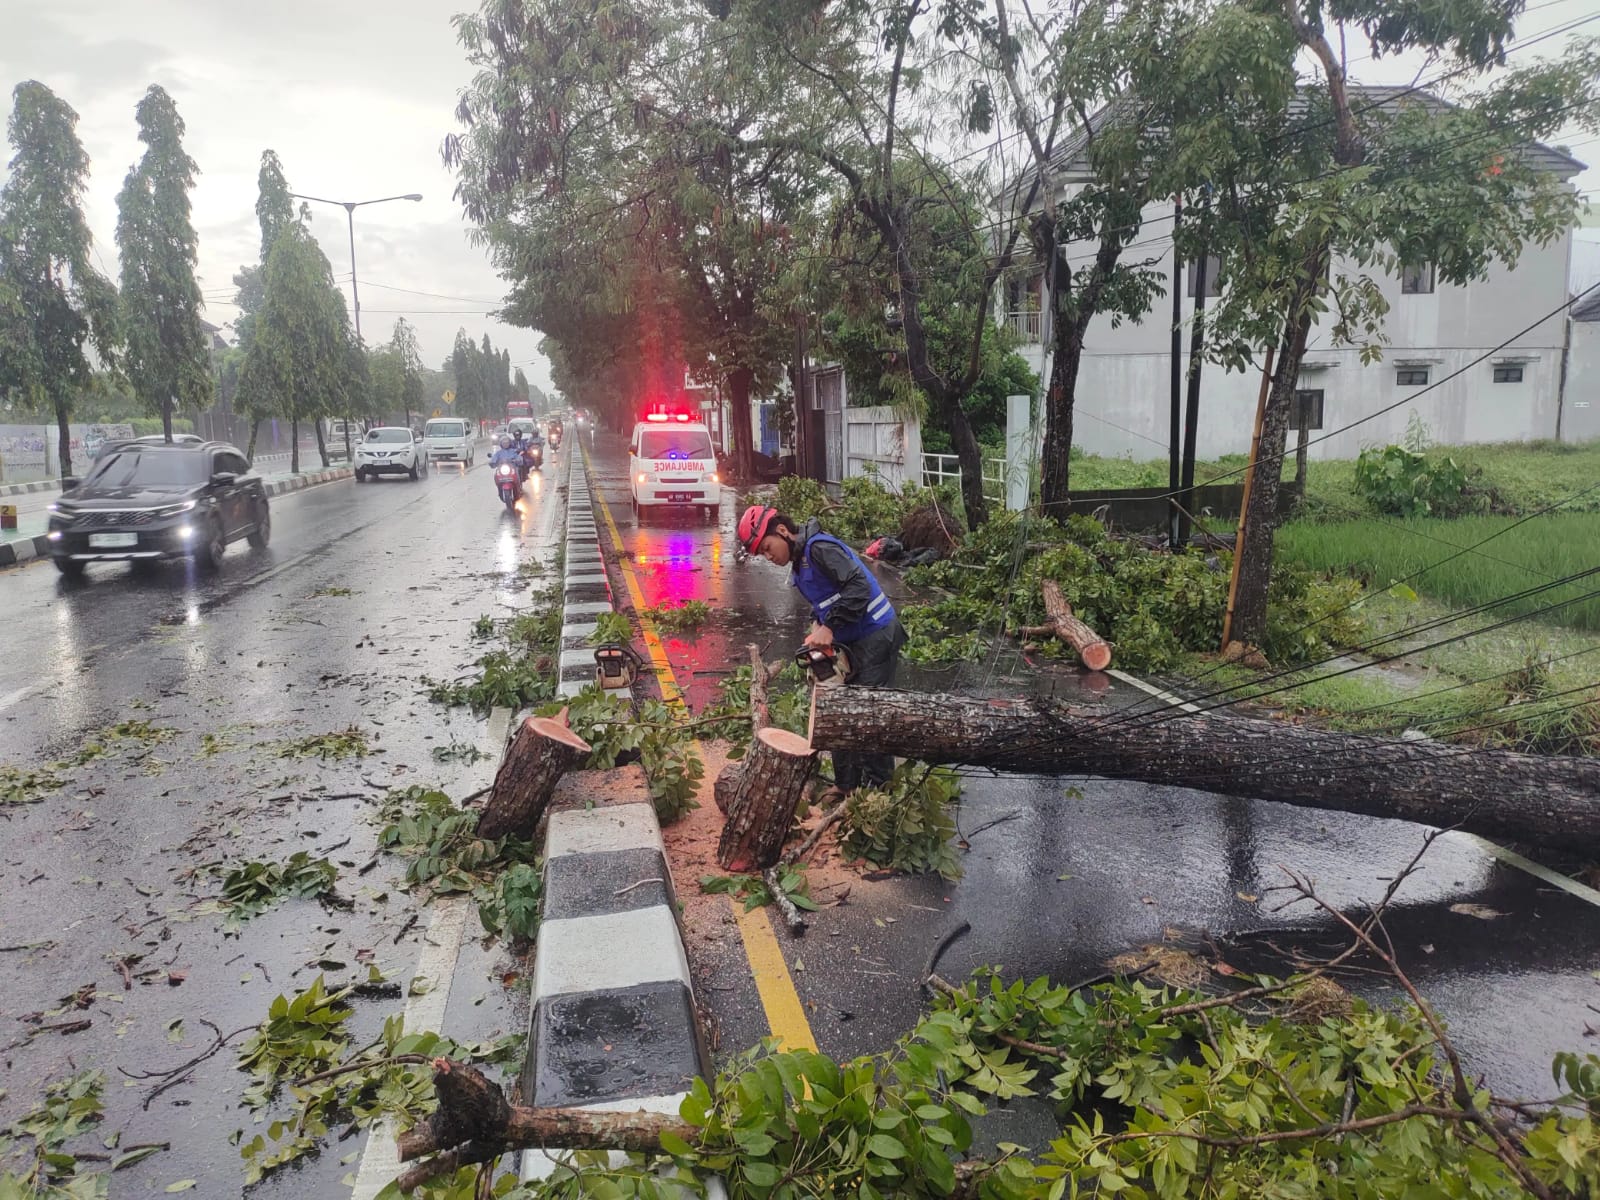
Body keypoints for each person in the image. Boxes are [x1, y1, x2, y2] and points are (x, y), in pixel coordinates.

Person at [738, 504, 908, 796]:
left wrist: (829, 628)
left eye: (767, 548)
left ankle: (879, 795)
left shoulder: (819, 549)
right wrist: (816, 623)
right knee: (836, 708)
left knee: (867, 716)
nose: (769, 557)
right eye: (762, 555)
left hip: (876, 634)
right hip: (852, 640)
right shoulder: (799, 564)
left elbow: (858, 587)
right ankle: (846, 785)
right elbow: (826, 599)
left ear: (782, 531)